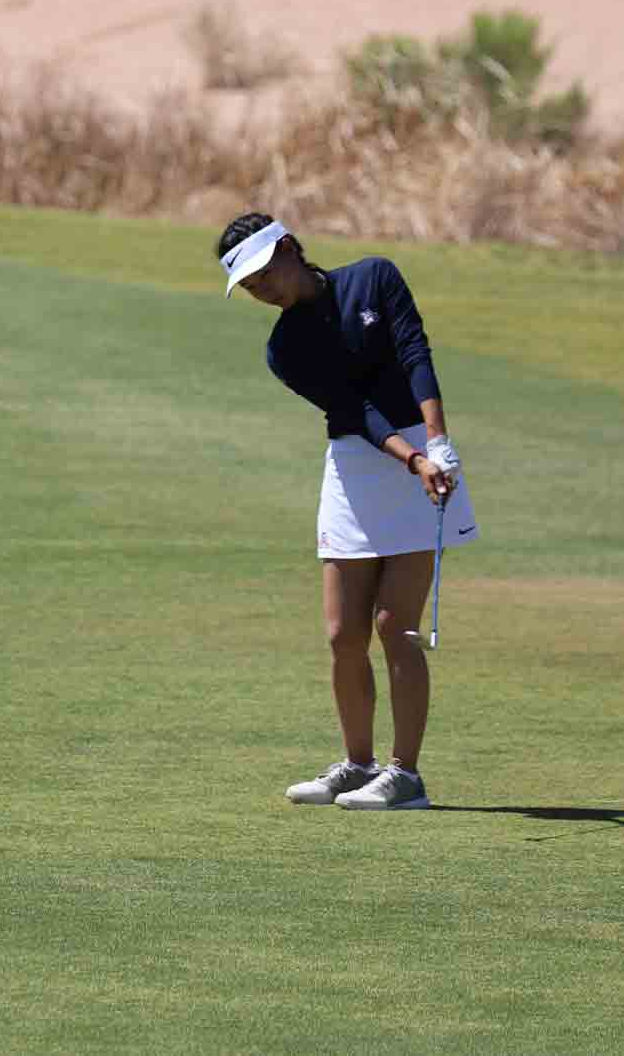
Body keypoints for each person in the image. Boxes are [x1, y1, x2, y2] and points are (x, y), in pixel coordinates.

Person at [216, 213, 477, 810]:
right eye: (251, 288)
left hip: (423, 449)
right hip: (359, 461)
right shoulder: (284, 349)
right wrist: (413, 459)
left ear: (287, 248)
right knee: (342, 634)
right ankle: (359, 766)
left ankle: (405, 776)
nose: (263, 291)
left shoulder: (375, 278)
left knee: (396, 626)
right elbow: (352, 410)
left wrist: (434, 443)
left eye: (263, 275)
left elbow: (414, 351)